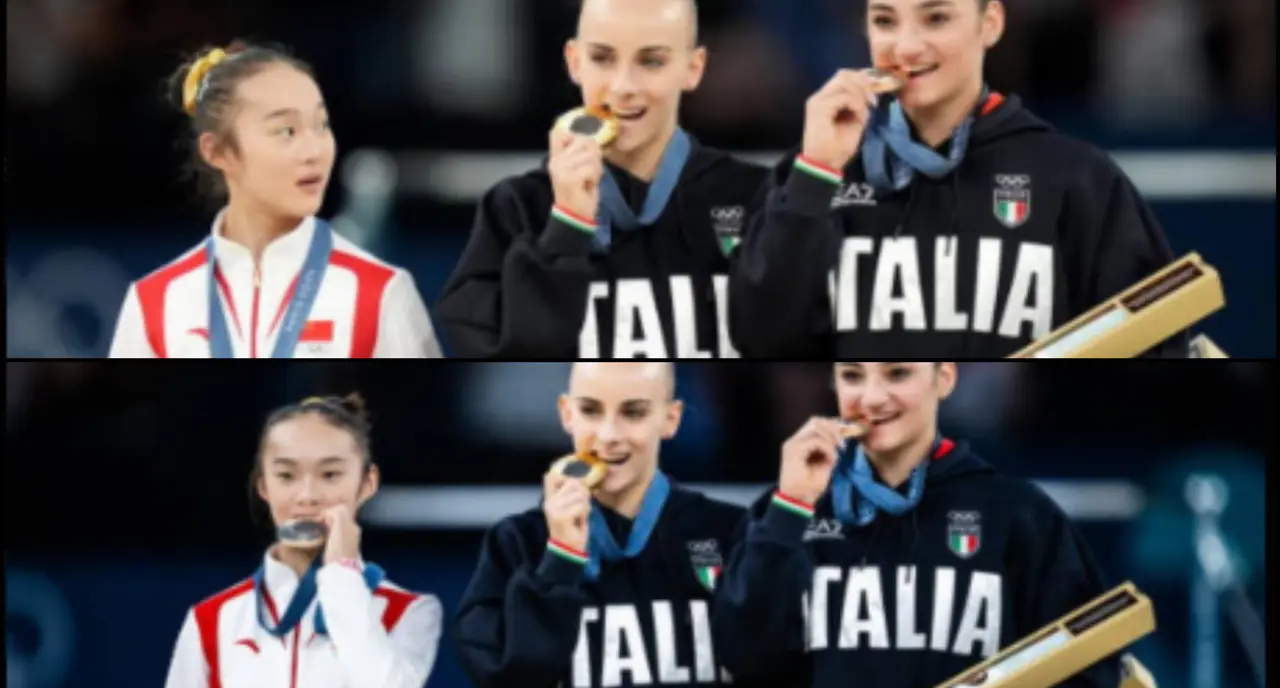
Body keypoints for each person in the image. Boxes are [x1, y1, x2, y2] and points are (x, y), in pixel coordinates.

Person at [729, 0, 1187, 358]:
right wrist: (817, 174)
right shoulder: (816, 169)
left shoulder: (1076, 177)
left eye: (936, 19)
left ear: (990, 23)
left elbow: (1158, 344)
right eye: (885, 21)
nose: (906, 47)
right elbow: (761, 340)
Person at [713, 362, 1122, 688]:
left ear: (943, 379)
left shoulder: (1016, 513)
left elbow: (1091, 668)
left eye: (898, 373)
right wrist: (791, 507)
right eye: (853, 375)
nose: (872, 398)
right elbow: (741, 664)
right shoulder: (788, 511)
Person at [435, 0, 768, 359]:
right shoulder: (517, 207)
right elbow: (500, 359)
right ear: (574, 61)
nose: (623, 86)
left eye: (651, 61)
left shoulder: (753, 196)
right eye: (602, 58)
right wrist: (567, 226)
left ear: (693, 68)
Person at [453, 362, 763, 688]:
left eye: (633, 412)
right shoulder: (518, 543)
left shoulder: (728, 530)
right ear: (566, 414)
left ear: (670, 419)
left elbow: (772, 670)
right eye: (590, 410)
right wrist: (561, 559)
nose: (609, 434)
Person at [109, 42, 442, 358]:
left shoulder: (381, 292)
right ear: (218, 151)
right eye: (286, 131)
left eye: (321, 125)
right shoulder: (154, 301)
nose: (314, 151)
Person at [159, 394, 443, 688]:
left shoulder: (408, 612)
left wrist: (342, 572)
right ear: (263, 486)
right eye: (286, 476)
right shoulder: (211, 620)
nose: (307, 496)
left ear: (366, 483)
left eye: (330, 475)